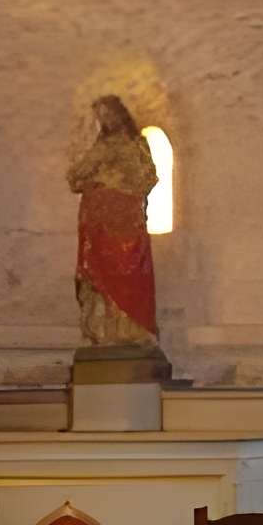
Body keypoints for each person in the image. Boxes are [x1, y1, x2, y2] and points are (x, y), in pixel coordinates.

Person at [67, 96, 159, 351]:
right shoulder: (102, 147)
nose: (105, 120)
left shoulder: (137, 144)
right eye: (100, 116)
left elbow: (149, 177)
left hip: (128, 220)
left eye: (108, 114)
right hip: (100, 221)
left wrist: (115, 183)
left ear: (120, 114)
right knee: (100, 272)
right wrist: (101, 184)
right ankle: (105, 332)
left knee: (131, 275)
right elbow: (74, 178)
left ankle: (133, 331)